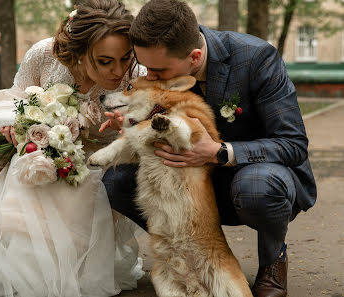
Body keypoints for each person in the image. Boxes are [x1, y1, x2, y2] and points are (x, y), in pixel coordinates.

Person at [100, 0, 317, 296]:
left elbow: (293, 144)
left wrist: (220, 151)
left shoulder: (256, 58)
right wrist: (129, 121)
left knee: (257, 186)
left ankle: (272, 260)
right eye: (145, 67)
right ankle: (183, 252)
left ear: (195, 56)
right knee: (113, 181)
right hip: (186, 187)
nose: (148, 76)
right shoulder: (156, 62)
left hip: (248, 177)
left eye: (158, 71)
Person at [0, 1, 146, 296]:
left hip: (100, 166)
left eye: (124, 58)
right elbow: (18, 101)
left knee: (79, 191)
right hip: (45, 155)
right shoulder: (43, 56)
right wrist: (17, 127)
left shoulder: (135, 73)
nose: (117, 70)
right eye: (104, 61)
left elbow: (149, 131)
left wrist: (127, 129)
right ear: (80, 51)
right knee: (24, 180)